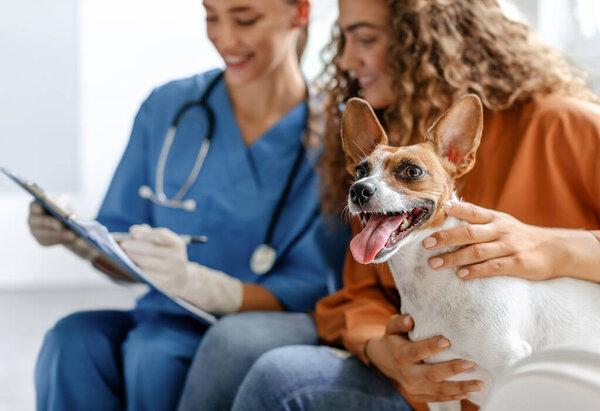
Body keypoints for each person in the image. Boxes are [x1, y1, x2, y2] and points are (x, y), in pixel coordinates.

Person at [182, 0, 598, 410]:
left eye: (364, 37)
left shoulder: (567, 125)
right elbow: (358, 292)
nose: (345, 59)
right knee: (227, 344)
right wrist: (380, 349)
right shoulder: (384, 162)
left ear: (427, 42)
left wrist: (554, 248)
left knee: (281, 378)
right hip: (424, 373)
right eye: (342, 39)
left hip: (552, 363)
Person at [29, 0, 348, 410]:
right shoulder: (168, 107)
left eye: (245, 18)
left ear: (299, 13)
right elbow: (120, 244)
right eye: (211, 16)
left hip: (251, 325)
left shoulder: (335, 137)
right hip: (161, 316)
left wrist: (199, 285)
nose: (224, 37)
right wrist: (75, 237)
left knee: (156, 352)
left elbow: (312, 287)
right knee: (70, 341)